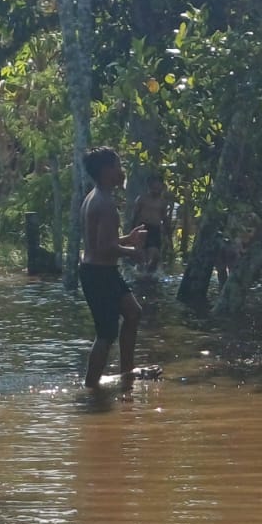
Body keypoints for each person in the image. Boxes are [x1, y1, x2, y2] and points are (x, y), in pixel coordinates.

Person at [78, 147, 149, 390]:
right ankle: (91, 388)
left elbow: (102, 242)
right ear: (107, 171)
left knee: (133, 313)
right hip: (98, 274)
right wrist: (134, 253)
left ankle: (126, 372)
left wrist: (127, 239)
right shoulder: (104, 203)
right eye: (118, 166)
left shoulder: (95, 196)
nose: (122, 172)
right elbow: (104, 248)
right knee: (106, 334)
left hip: (101, 272)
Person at [128, 173, 172, 279]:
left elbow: (164, 218)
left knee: (155, 256)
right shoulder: (142, 199)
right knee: (142, 258)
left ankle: (150, 276)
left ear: (162, 187)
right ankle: (141, 277)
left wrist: (168, 236)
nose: (157, 189)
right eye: (154, 187)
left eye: (159, 187)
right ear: (149, 186)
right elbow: (134, 216)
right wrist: (132, 232)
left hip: (155, 230)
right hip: (143, 228)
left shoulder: (162, 202)